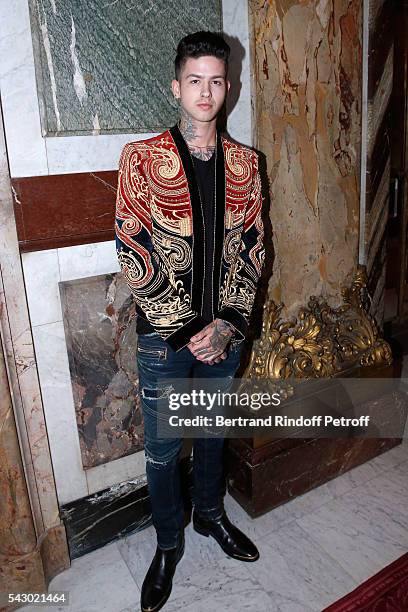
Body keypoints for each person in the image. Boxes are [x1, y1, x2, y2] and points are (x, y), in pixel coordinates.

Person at [115, 31, 265, 612]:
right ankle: (168, 545)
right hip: (164, 338)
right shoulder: (142, 159)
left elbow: (253, 250)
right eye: (195, 80)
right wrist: (184, 331)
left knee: (211, 437)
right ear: (176, 86)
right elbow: (133, 247)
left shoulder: (249, 166)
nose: (206, 92)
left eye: (217, 81)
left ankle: (210, 518)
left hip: (225, 333)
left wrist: (226, 324)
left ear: (227, 89)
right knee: (162, 449)